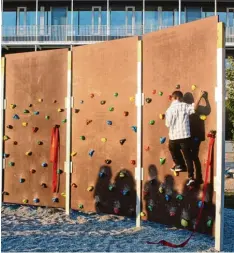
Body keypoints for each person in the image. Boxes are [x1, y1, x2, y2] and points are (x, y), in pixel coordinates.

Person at [165, 90, 205, 186]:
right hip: (185, 136)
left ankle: (179, 164)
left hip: (174, 137)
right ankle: (191, 177)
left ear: (173, 98)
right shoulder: (184, 106)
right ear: (181, 98)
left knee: (172, 149)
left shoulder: (169, 110)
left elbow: (167, 124)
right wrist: (200, 96)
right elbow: (194, 108)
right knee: (189, 157)